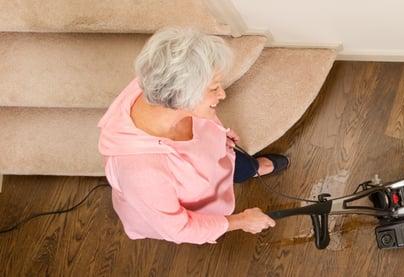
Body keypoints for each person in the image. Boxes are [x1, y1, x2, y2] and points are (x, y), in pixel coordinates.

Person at [97, 27, 289, 245]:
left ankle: (249, 169)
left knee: (238, 164)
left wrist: (216, 135)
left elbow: (200, 121)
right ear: (182, 96)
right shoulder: (142, 173)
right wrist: (241, 221)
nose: (223, 94)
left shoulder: (157, 83)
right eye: (214, 88)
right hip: (189, 202)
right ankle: (247, 170)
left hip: (212, 158)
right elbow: (180, 229)